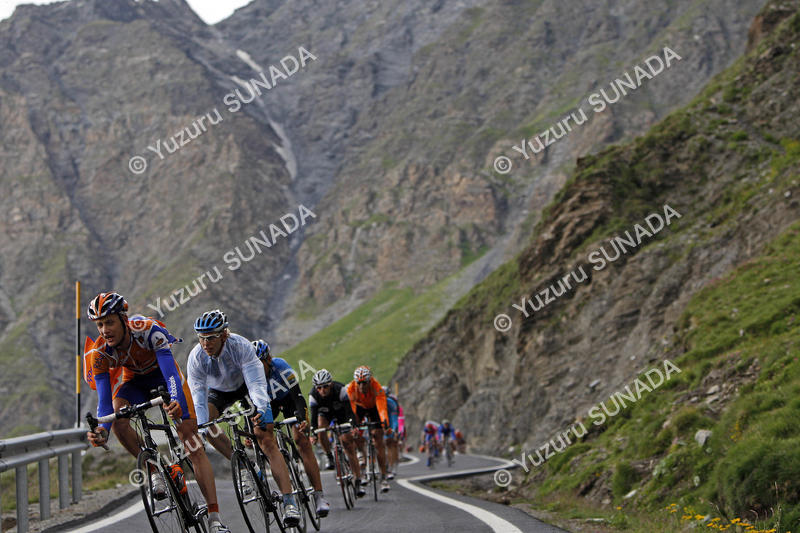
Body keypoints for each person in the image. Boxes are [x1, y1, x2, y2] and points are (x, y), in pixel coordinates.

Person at [83, 293, 231, 533]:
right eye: (99, 324)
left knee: (191, 442)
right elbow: (105, 404)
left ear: (123, 319)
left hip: (164, 377)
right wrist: (102, 430)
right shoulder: (99, 353)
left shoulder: (148, 331)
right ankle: (154, 470)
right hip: (134, 382)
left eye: (109, 322)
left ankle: (215, 519)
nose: (104, 330)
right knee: (119, 420)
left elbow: (170, 373)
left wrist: (175, 402)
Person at [185, 310, 302, 527]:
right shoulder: (196, 357)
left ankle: (289, 502)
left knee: (265, 438)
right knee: (207, 424)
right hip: (219, 392)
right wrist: (201, 429)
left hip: (247, 386)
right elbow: (198, 397)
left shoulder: (240, 346)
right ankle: (244, 466)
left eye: (211, 337)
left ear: (224, 335)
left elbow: (256, 384)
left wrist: (261, 408)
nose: (205, 343)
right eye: (201, 338)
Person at [253, 339, 330, 517]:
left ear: (268, 359)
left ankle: (319, 496)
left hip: (290, 402)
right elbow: (249, 407)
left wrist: (302, 418)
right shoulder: (250, 376)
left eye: (259, 364)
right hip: (268, 405)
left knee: (301, 440)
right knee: (261, 435)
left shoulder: (280, 366)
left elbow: (297, 395)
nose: (255, 369)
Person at [308, 369, 366, 497]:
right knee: (320, 427)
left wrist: (352, 426)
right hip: (325, 414)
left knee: (348, 445)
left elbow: (349, 412)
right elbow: (313, 418)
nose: (322, 390)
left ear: (331, 384)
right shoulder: (313, 395)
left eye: (325, 386)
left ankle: (358, 481)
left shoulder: (341, 389)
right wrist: (313, 434)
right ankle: (329, 456)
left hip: (342, 414)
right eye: (319, 388)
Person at [345, 366, 391, 492]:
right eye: (359, 383)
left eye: (364, 383)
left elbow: (382, 407)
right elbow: (351, 409)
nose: (361, 386)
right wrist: (353, 425)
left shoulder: (376, 387)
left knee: (378, 438)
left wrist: (384, 422)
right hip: (359, 408)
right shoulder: (351, 389)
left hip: (373, 408)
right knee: (354, 432)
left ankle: (383, 476)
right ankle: (361, 458)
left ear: (370, 381)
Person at [382, 386, 400, 479]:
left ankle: (391, 467)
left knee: (390, 444)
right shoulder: (375, 401)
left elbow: (394, 419)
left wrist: (394, 430)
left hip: (390, 423)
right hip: (381, 423)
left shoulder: (391, 403)